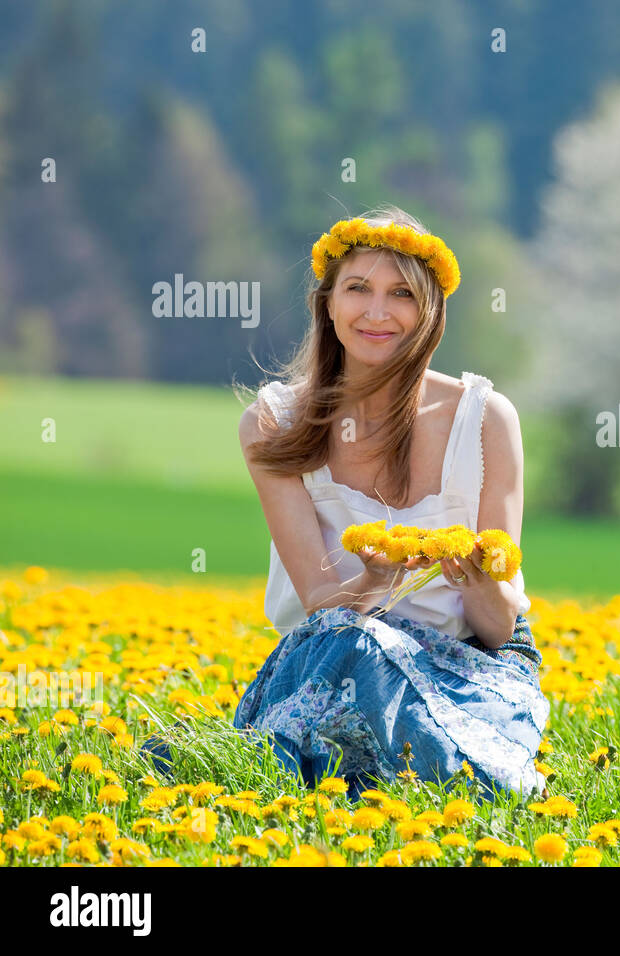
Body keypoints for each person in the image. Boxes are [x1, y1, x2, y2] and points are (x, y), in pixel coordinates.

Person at [145, 205, 548, 804]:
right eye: (358, 289)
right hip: (332, 655)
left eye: (402, 294)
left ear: (431, 312)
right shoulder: (274, 423)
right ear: (328, 303)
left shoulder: (487, 420)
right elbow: (319, 607)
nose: (377, 312)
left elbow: (497, 628)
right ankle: (461, 777)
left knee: (354, 693)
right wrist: (377, 579)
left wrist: (480, 583)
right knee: (358, 644)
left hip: (467, 668)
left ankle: (367, 771)